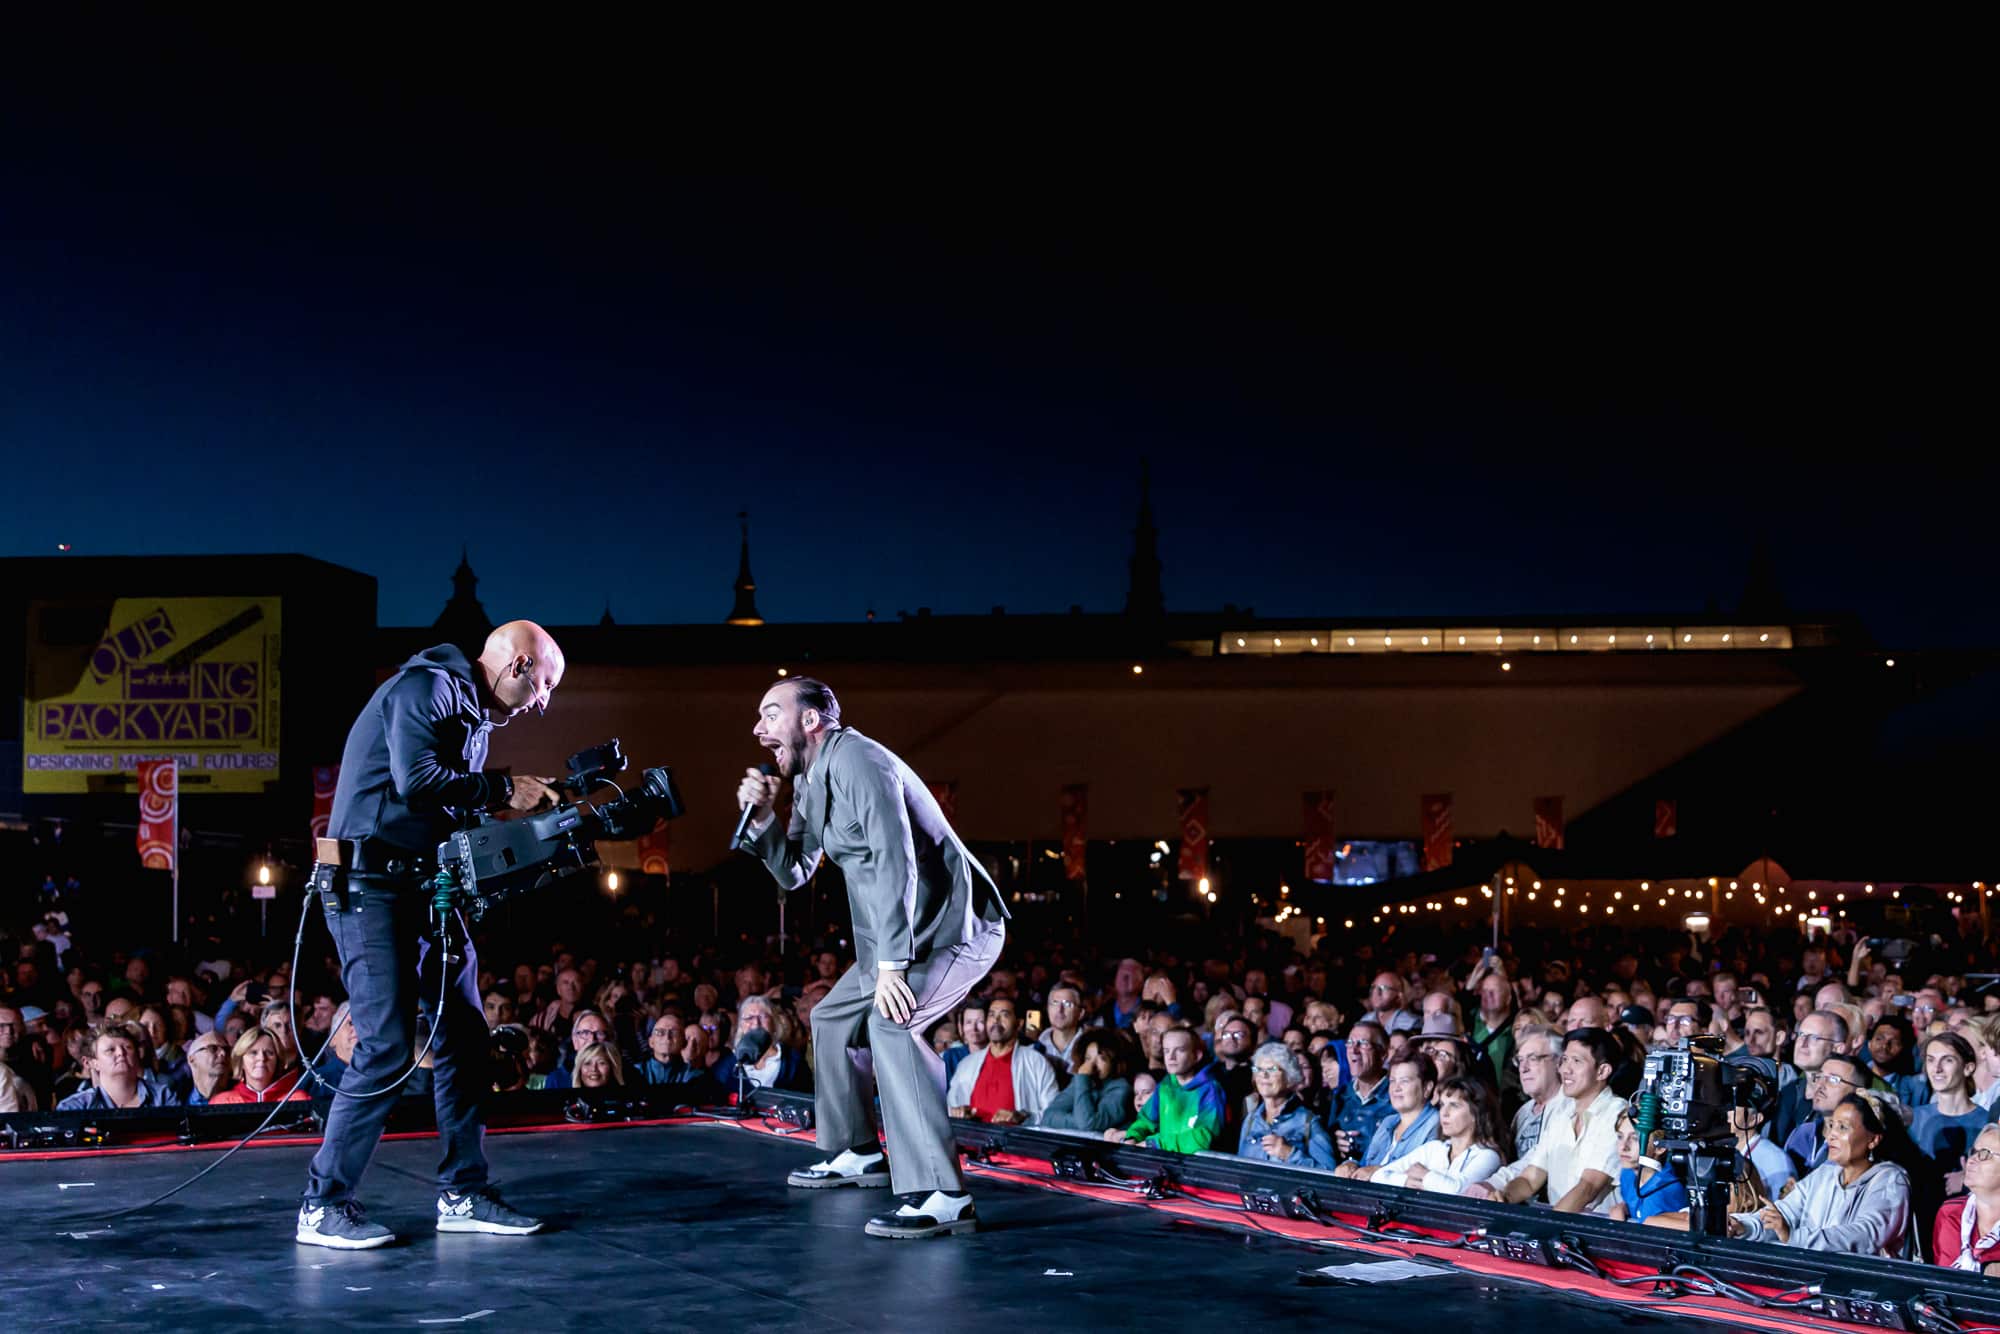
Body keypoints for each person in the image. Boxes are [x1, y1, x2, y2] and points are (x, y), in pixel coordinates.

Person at [298, 620, 562, 1249]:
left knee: (465, 1040)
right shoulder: (428, 686)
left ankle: (463, 1192)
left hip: (422, 888)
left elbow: (447, 803)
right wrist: (504, 787)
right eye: (547, 684)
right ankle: (322, 1203)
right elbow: (416, 781)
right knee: (387, 1044)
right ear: (521, 666)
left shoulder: (468, 709)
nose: (545, 702)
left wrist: (527, 800)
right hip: (369, 888)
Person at [739, 677, 1009, 1240]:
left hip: (954, 929)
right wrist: (763, 820)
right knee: (832, 1019)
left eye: (770, 715)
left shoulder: (860, 762)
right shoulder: (811, 781)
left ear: (811, 721)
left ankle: (942, 1194)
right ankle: (857, 1152)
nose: (758, 730)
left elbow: (896, 859)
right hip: (898, 941)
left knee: (892, 1024)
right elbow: (795, 870)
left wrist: (889, 966)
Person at [1730, 1092, 1913, 1258]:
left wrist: (1795, 1236)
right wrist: (1742, 1226)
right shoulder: (1826, 1173)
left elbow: (1865, 1235)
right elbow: (1783, 1213)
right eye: (1832, 1125)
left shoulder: (1890, 1179)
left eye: (1843, 1127)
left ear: (1873, 1139)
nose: (1831, 1135)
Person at [1466, 1028, 1625, 1213]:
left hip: (1596, 1233)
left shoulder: (1616, 1114)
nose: (1565, 1069)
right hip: (1558, 1224)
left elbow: (1588, 1187)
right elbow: (1530, 1178)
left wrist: (1548, 1226)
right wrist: (1504, 1196)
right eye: (1564, 1060)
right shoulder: (1561, 1114)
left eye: (1576, 1061)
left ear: (1602, 1071)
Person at [1369, 1075, 1506, 1194]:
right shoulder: (1434, 1148)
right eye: (1442, 1105)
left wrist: (1425, 1174)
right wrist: (1405, 1181)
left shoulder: (1488, 1155)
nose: (1444, 1113)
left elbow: (1458, 1191)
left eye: (1454, 1105)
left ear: (1476, 1114)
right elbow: (1378, 1176)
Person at [1105, 1027, 1226, 1153]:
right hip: (1166, 1165)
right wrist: (1133, 1136)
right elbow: (1146, 1121)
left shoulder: (1210, 1089)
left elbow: (1204, 1138)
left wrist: (1157, 1143)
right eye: (1166, 1051)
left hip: (1195, 1168)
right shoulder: (1165, 1085)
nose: (1171, 1057)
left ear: (1196, 1055)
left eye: (1179, 1050)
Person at [948, 996, 1057, 1124]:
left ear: (1019, 1024)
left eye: (1004, 1015)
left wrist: (1024, 1117)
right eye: (991, 1015)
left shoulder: (1036, 1062)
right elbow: (951, 1106)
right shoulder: (967, 1064)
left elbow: (1054, 1114)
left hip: (1015, 1142)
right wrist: (957, 1112)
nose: (996, 1020)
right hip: (972, 1141)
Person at [1238, 1042, 1338, 1170]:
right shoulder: (1251, 1120)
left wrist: (1290, 1154)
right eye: (1259, 1069)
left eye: (1272, 1069)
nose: (1263, 1075)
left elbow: (1328, 1172)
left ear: (1290, 1077)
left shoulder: (1308, 1122)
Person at [1337, 1054, 1439, 1175]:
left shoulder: (1437, 1125)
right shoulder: (1388, 1122)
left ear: (1427, 1088)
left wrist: (1379, 1172)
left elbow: (1424, 1178)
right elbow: (1365, 1165)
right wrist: (1351, 1164)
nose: (1396, 1088)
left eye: (1404, 1081)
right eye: (1392, 1081)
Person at [1032, 1028, 1137, 1133]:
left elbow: (1088, 1124)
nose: (1091, 1065)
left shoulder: (1122, 1089)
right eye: (1088, 1058)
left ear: (1114, 1061)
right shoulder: (1083, 1081)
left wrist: (1082, 1079)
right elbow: (1048, 1117)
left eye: (1102, 1059)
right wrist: (1079, 1120)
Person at [58, 1025, 181, 1110]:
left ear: (139, 1054)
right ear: (91, 1062)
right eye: (110, 1050)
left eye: (127, 1047)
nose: (121, 1053)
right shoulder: (75, 1107)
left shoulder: (163, 1096)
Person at [1324, 1020, 1395, 1162]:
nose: (1354, 1050)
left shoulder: (1396, 1095)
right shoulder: (1341, 1095)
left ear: (1383, 1054)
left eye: (1363, 1043)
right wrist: (1335, 1143)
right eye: (1350, 1043)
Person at [1934, 1122, 2000, 1273]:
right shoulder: (1950, 1213)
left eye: (1984, 1154)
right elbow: (1943, 1282)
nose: (1971, 1160)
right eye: (1974, 1152)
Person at [1608, 1107, 1690, 1222]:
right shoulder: (1627, 1174)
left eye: (1635, 1138)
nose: (1623, 1147)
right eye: (1620, 1137)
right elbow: (1635, 1205)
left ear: (1660, 1147)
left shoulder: (1663, 1189)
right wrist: (1622, 1207)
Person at [207, 1028, 308, 1105]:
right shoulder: (222, 1102)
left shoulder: (298, 1099)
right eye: (253, 1053)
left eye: (269, 1053)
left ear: (278, 1061)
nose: (262, 1058)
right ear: (241, 1061)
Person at [1509, 1025, 1563, 1159]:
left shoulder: (1570, 1109)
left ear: (1558, 1061)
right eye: (1520, 1060)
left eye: (1533, 1058)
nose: (1523, 1068)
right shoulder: (1522, 1113)